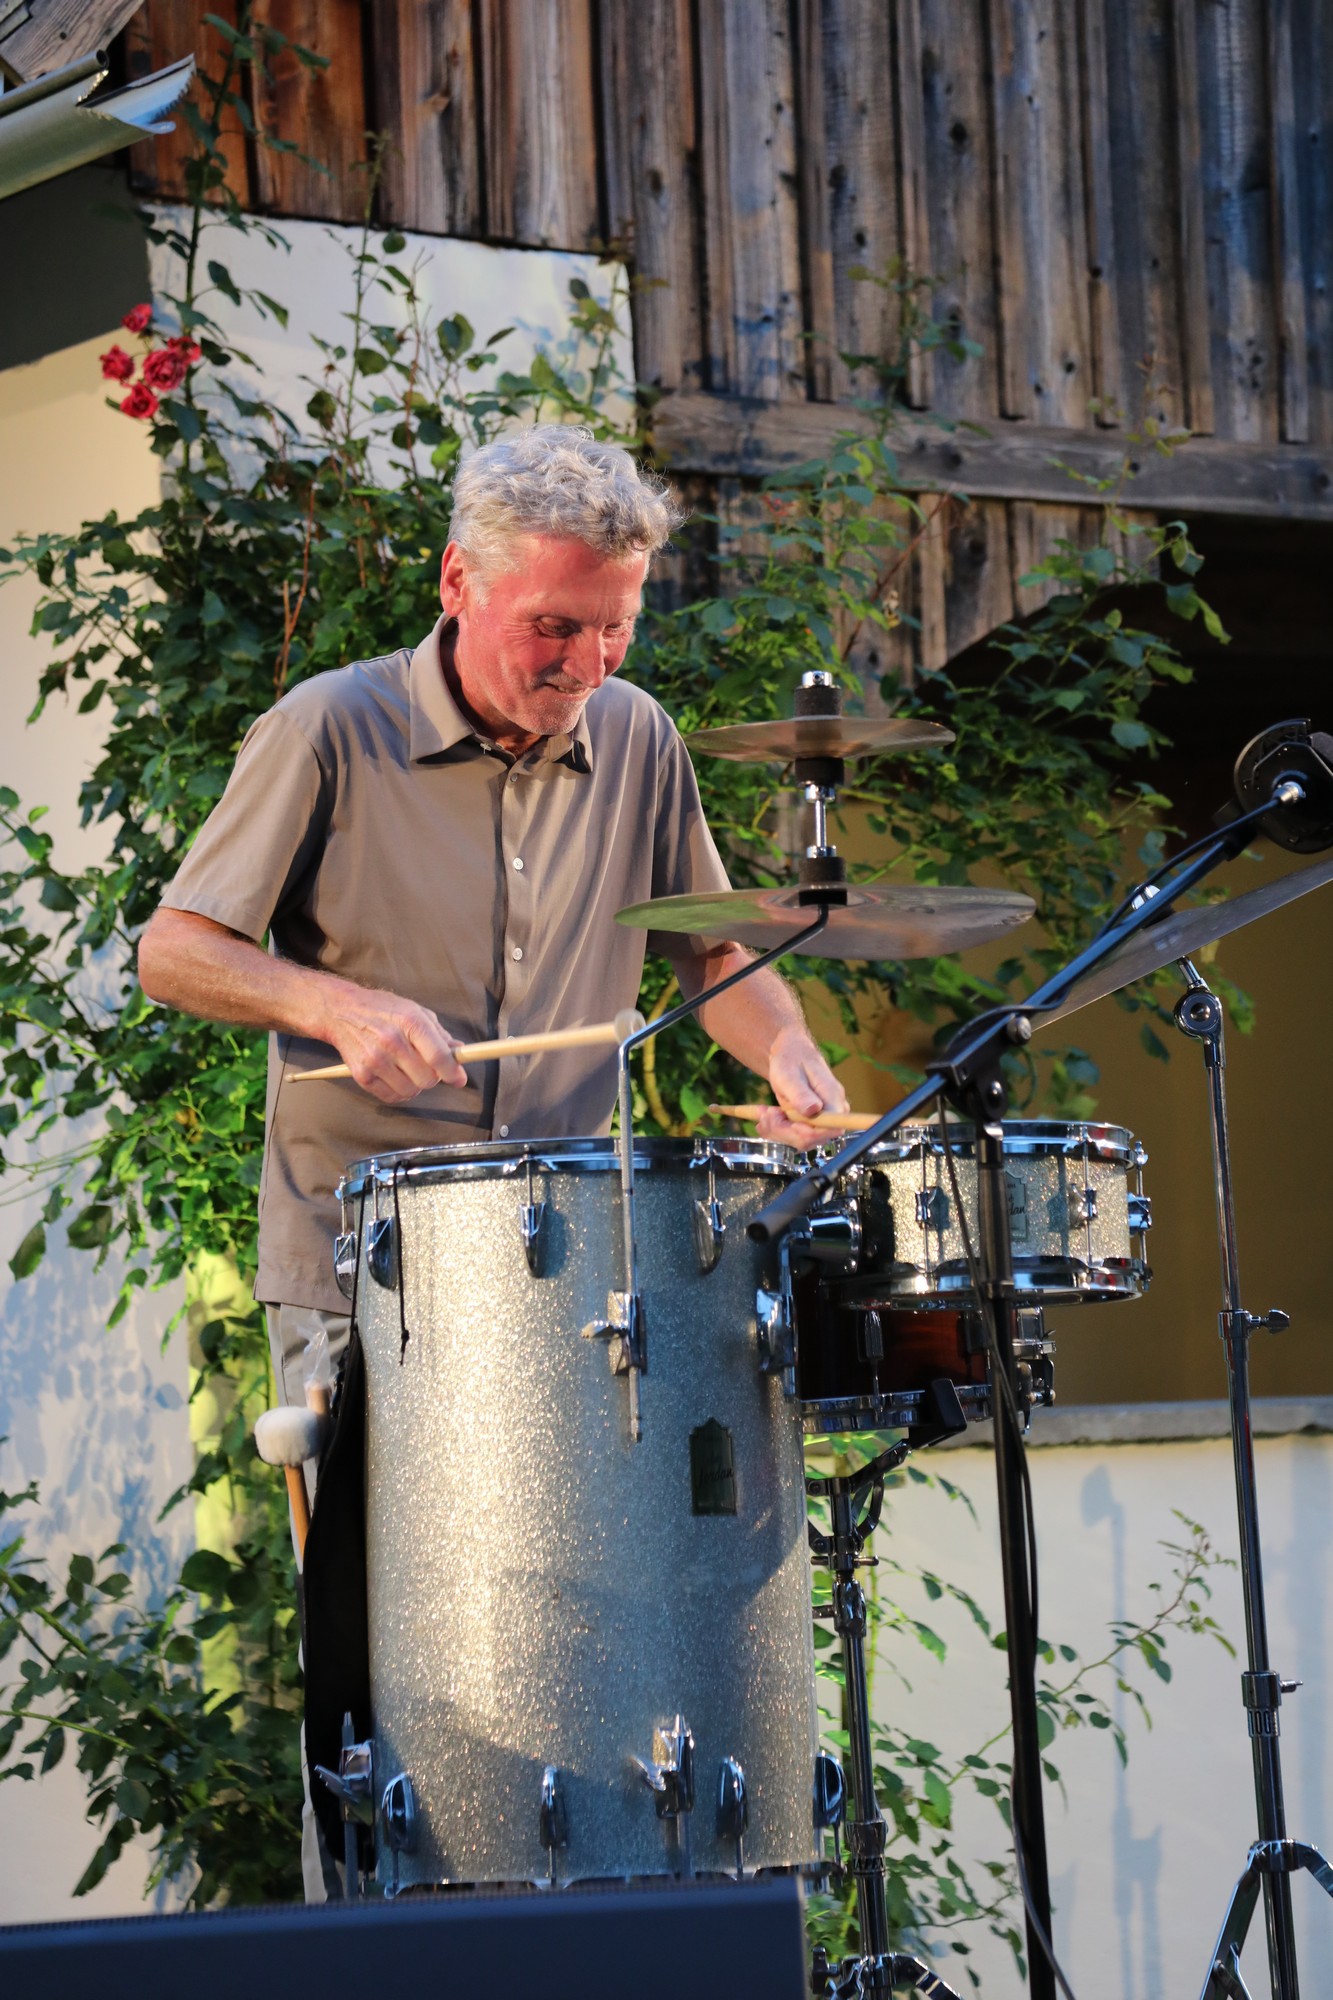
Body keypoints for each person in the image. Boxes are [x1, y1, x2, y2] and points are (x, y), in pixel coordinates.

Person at [137, 423, 848, 1894]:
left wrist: (783, 1051)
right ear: (460, 582)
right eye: (555, 627)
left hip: (576, 1276)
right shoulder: (329, 729)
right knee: (406, 1689)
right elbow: (175, 950)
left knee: (592, 1662)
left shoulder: (636, 737)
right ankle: (392, 1950)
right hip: (370, 1274)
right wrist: (335, 1006)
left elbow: (712, 949)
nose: (589, 662)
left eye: (615, 627)